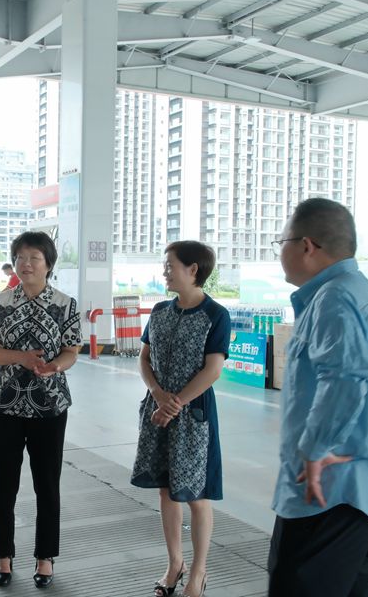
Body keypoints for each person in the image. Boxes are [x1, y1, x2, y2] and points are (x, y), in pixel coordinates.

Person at [268, 198, 368, 597]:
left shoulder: (334, 298)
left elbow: (346, 379)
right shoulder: (362, 292)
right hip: (358, 491)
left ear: (307, 246)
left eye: (281, 242)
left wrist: (314, 450)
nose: (280, 252)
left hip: (325, 490)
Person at [0, 231, 81, 589]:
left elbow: (71, 351)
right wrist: (20, 358)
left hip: (50, 405)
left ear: (48, 264)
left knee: (47, 484)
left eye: (34, 258)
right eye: (20, 257)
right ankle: (3, 555)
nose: (26, 264)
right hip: (5, 404)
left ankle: (45, 557)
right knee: (3, 483)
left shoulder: (66, 304)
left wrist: (56, 366)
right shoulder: (0, 302)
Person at [130, 240, 230, 597]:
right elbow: (144, 359)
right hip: (156, 410)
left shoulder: (215, 315)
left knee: (196, 494)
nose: (165, 272)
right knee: (166, 490)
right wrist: (158, 393)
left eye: (170, 265)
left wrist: (175, 404)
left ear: (193, 270)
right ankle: (175, 564)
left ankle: (198, 573)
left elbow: (213, 369)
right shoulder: (159, 311)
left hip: (193, 416)